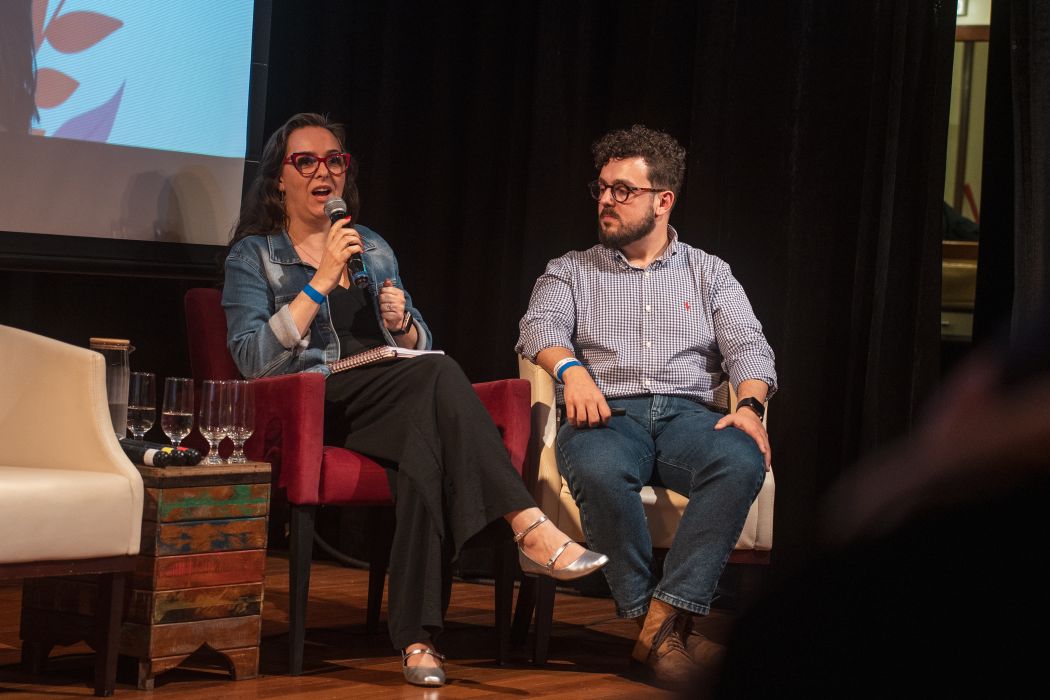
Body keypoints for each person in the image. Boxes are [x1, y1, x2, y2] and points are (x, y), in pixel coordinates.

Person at [222, 112, 607, 687]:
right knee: (439, 375)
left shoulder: (373, 247)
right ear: (280, 178)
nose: (323, 172)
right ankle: (527, 523)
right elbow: (252, 360)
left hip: (388, 397)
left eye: (334, 160)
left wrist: (403, 326)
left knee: (423, 456)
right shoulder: (253, 256)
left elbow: (417, 341)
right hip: (315, 401)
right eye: (305, 161)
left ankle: (418, 640)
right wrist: (320, 281)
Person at [517, 124, 777, 688]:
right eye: (602, 188)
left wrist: (750, 406)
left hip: (690, 417)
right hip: (608, 415)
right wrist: (571, 371)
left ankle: (656, 626)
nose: (606, 200)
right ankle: (662, 631)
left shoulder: (709, 271)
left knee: (740, 458)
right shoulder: (571, 269)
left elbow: (749, 347)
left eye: (623, 190)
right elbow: (538, 329)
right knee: (597, 469)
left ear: (663, 201)